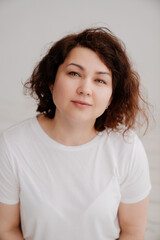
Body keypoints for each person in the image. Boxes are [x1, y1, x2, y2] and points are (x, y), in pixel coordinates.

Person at [0, 27, 151, 240]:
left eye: (100, 80)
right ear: (52, 81)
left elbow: (133, 233)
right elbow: (6, 229)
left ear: (110, 98)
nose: (85, 89)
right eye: (74, 73)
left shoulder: (127, 147)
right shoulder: (12, 145)